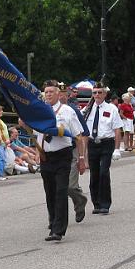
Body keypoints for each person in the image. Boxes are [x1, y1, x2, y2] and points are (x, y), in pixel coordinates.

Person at [36, 80, 85, 242]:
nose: (48, 94)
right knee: (50, 192)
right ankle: (53, 223)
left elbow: (78, 136)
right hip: (45, 157)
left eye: (51, 91)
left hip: (63, 156)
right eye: (46, 92)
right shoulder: (39, 111)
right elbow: (37, 134)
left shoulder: (67, 111)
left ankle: (59, 230)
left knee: (61, 191)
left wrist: (82, 158)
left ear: (58, 94)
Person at [85, 82, 123, 215]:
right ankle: (96, 203)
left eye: (99, 92)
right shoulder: (88, 109)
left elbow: (117, 129)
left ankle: (105, 204)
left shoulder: (111, 108)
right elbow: (83, 130)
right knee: (94, 174)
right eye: (94, 92)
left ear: (105, 94)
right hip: (92, 144)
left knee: (103, 173)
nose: (97, 95)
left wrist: (117, 149)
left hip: (107, 143)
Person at [58, 82, 89, 224]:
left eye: (65, 95)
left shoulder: (72, 111)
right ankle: (56, 220)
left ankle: (80, 201)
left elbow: (83, 135)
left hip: (72, 151)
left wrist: (82, 157)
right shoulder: (48, 111)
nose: (62, 97)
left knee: (70, 186)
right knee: (57, 188)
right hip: (56, 153)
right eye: (60, 94)